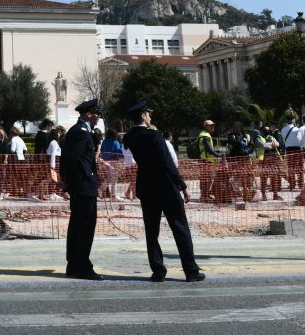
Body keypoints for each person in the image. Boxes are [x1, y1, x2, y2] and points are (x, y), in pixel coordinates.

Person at [122, 101, 204, 283]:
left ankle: (158, 271)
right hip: (166, 187)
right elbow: (167, 164)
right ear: (143, 116)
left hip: (146, 187)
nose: (150, 116)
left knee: (152, 232)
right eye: (148, 114)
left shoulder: (129, 138)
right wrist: (182, 186)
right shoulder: (154, 135)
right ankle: (191, 270)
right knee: (180, 228)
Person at [60, 98, 102, 279]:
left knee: (76, 224)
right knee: (86, 226)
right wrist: (89, 177)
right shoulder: (82, 133)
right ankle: (82, 265)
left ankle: (74, 264)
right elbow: (76, 159)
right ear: (88, 114)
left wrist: (66, 179)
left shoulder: (75, 130)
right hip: (84, 186)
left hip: (78, 185)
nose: (99, 116)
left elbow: (66, 158)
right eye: (96, 112)